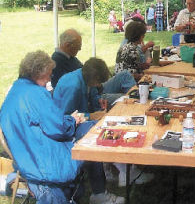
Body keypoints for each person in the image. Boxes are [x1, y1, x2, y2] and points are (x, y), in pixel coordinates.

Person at [0, 51, 122, 204]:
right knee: (92, 136)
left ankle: (98, 189)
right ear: (40, 72)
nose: (51, 78)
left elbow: (46, 121)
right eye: (49, 75)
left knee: (91, 129)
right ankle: (102, 187)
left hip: (29, 150)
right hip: (42, 159)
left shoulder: (18, 90)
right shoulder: (36, 94)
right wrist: (72, 121)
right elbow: (58, 129)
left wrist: (71, 120)